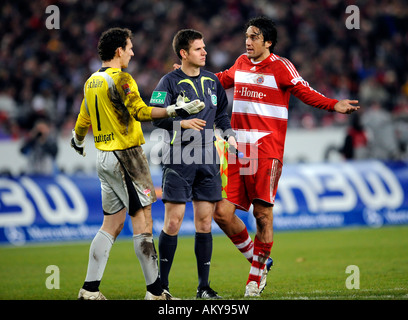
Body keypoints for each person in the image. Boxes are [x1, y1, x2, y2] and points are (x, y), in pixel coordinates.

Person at [211, 16, 360, 297]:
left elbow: (304, 90)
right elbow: (218, 81)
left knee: (262, 215)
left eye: (254, 36)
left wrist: (333, 104)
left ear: (268, 42)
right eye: (246, 35)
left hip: (266, 151)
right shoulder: (240, 63)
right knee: (222, 213)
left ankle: (254, 279)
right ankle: (262, 260)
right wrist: (189, 77)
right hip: (237, 150)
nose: (248, 41)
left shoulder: (280, 66)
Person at [70, 27, 204, 300]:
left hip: (104, 158)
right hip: (126, 157)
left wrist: (78, 138)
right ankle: (155, 293)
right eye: (129, 47)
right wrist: (174, 110)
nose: (132, 52)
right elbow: (141, 111)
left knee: (112, 224)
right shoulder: (121, 79)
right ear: (119, 50)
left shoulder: (91, 81)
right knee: (143, 222)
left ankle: (89, 290)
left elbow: (84, 116)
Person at [151, 29, 237, 299]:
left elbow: (222, 114)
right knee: (173, 222)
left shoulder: (213, 81)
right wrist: (181, 122)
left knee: (204, 223)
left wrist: (230, 135)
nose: (205, 52)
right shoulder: (168, 81)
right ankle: (161, 288)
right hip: (178, 157)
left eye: (204, 48)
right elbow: (154, 116)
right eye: (199, 49)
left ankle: (204, 288)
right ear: (184, 53)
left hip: (208, 157)